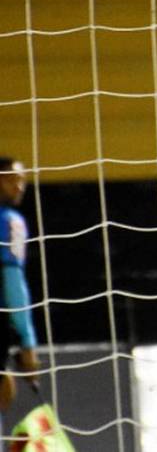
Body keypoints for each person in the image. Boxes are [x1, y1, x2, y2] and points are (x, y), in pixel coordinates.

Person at [0, 157, 41, 429]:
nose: (21, 186)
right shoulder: (10, 221)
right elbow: (13, 281)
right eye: (15, 179)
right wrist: (27, 344)